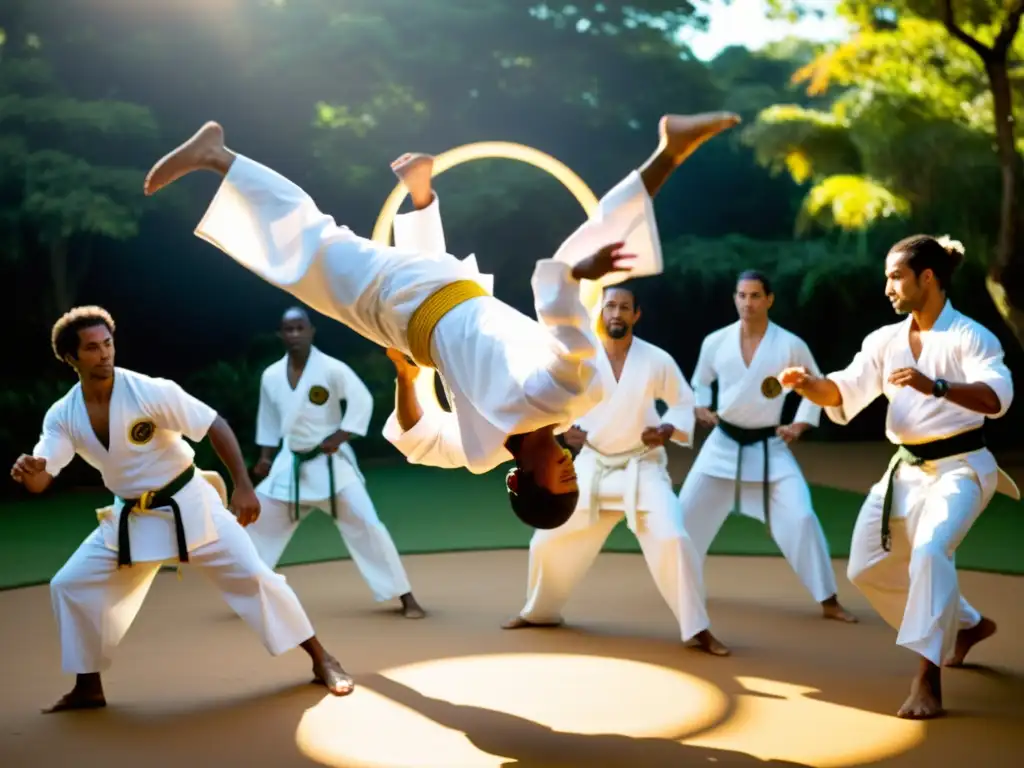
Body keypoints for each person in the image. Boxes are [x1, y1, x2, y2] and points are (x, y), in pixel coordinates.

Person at [142, 111, 741, 530]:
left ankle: (423, 196)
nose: (569, 465)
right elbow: (570, 336)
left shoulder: (483, 450)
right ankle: (220, 154)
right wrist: (576, 278)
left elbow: (421, 441)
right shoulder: (568, 396)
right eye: (573, 476)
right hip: (420, 300)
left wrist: (407, 382)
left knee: (327, 258)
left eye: (560, 478)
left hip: (417, 317)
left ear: (518, 482)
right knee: (315, 251)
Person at [10, 306, 353, 713]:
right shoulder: (63, 416)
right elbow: (42, 478)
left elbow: (215, 425)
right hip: (131, 519)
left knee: (257, 578)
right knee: (69, 584)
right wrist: (28, 472)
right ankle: (88, 687)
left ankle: (322, 659)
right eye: (91, 348)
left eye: (108, 344)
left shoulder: (149, 391)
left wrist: (243, 486)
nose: (104, 354)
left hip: (190, 503)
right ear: (71, 357)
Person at [778, 235, 1015, 719]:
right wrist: (808, 384)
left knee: (930, 550)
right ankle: (966, 624)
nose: (887, 287)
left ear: (927, 278)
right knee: (864, 568)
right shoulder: (884, 341)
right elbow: (842, 390)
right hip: (905, 471)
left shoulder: (971, 337)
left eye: (895, 276)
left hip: (961, 470)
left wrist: (938, 386)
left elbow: (995, 400)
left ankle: (927, 680)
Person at [496, 283, 729, 656]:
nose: (616, 314)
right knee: (546, 540)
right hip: (592, 465)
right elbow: (551, 402)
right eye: (610, 306)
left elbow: (683, 401)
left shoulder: (655, 359)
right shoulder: (581, 359)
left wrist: (667, 429)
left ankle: (697, 629)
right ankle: (539, 611)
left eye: (624, 307)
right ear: (599, 312)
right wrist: (562, 430)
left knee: (673, 537)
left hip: (642, 466)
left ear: (636, 314)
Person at [677, 270, 856, 624]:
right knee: (682, 518)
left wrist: (801, 423)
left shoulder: (789, 344)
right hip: (722, 445)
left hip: (769, 448)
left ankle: (829, 600)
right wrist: (701, 405)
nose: (748, 302)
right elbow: (700, 381)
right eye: (742, 296)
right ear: (735, 299)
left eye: (755, 296)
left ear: (769, 300)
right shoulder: (716, 341)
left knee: (802, 517)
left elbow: (816, 386)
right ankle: (679, 586)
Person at [248, 306, 424, 618]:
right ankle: (248, 592)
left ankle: (405, 595)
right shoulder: (271, 376)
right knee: (257, 526)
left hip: (332, 466)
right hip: (291, 466)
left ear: (312, 331)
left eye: (300, 328)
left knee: (368, 525)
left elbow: (362, 401)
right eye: (288, 329)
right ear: (281, 335)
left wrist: (340, 436)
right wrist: (264, 458)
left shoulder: (332, 369)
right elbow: (268, 420)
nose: (295, 335)